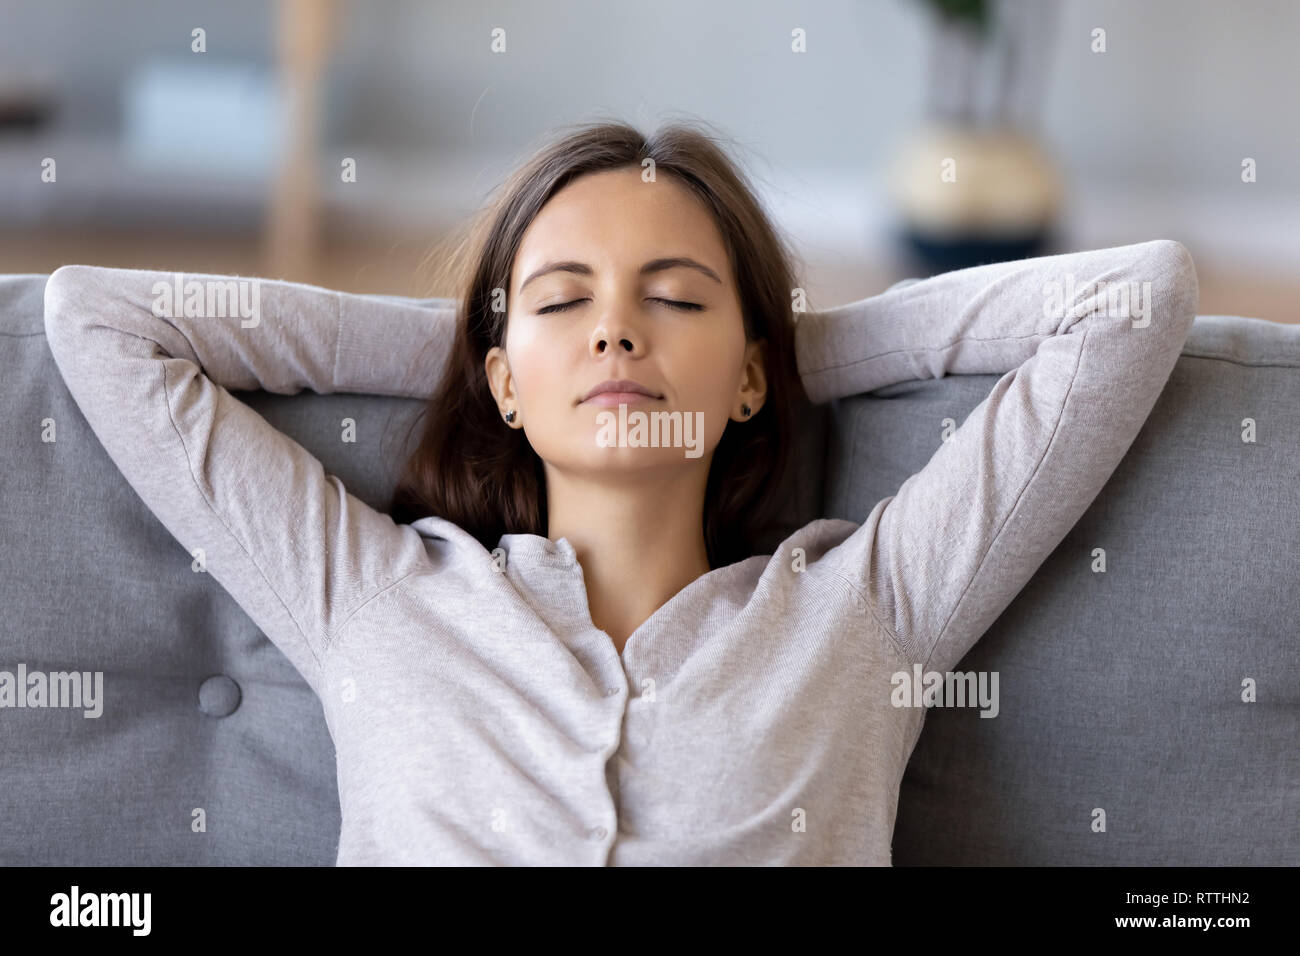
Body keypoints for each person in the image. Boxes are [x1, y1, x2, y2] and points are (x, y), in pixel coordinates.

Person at [42, 120, 1199, 865]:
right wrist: (471, 355)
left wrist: (795, 350)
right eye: (561, 302)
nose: (613, 328)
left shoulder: (863, 612)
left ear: (748, 372)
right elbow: (99, 318)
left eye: (678, 299)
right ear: (498, 375)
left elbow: (1134, 300)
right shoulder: (372, 596)